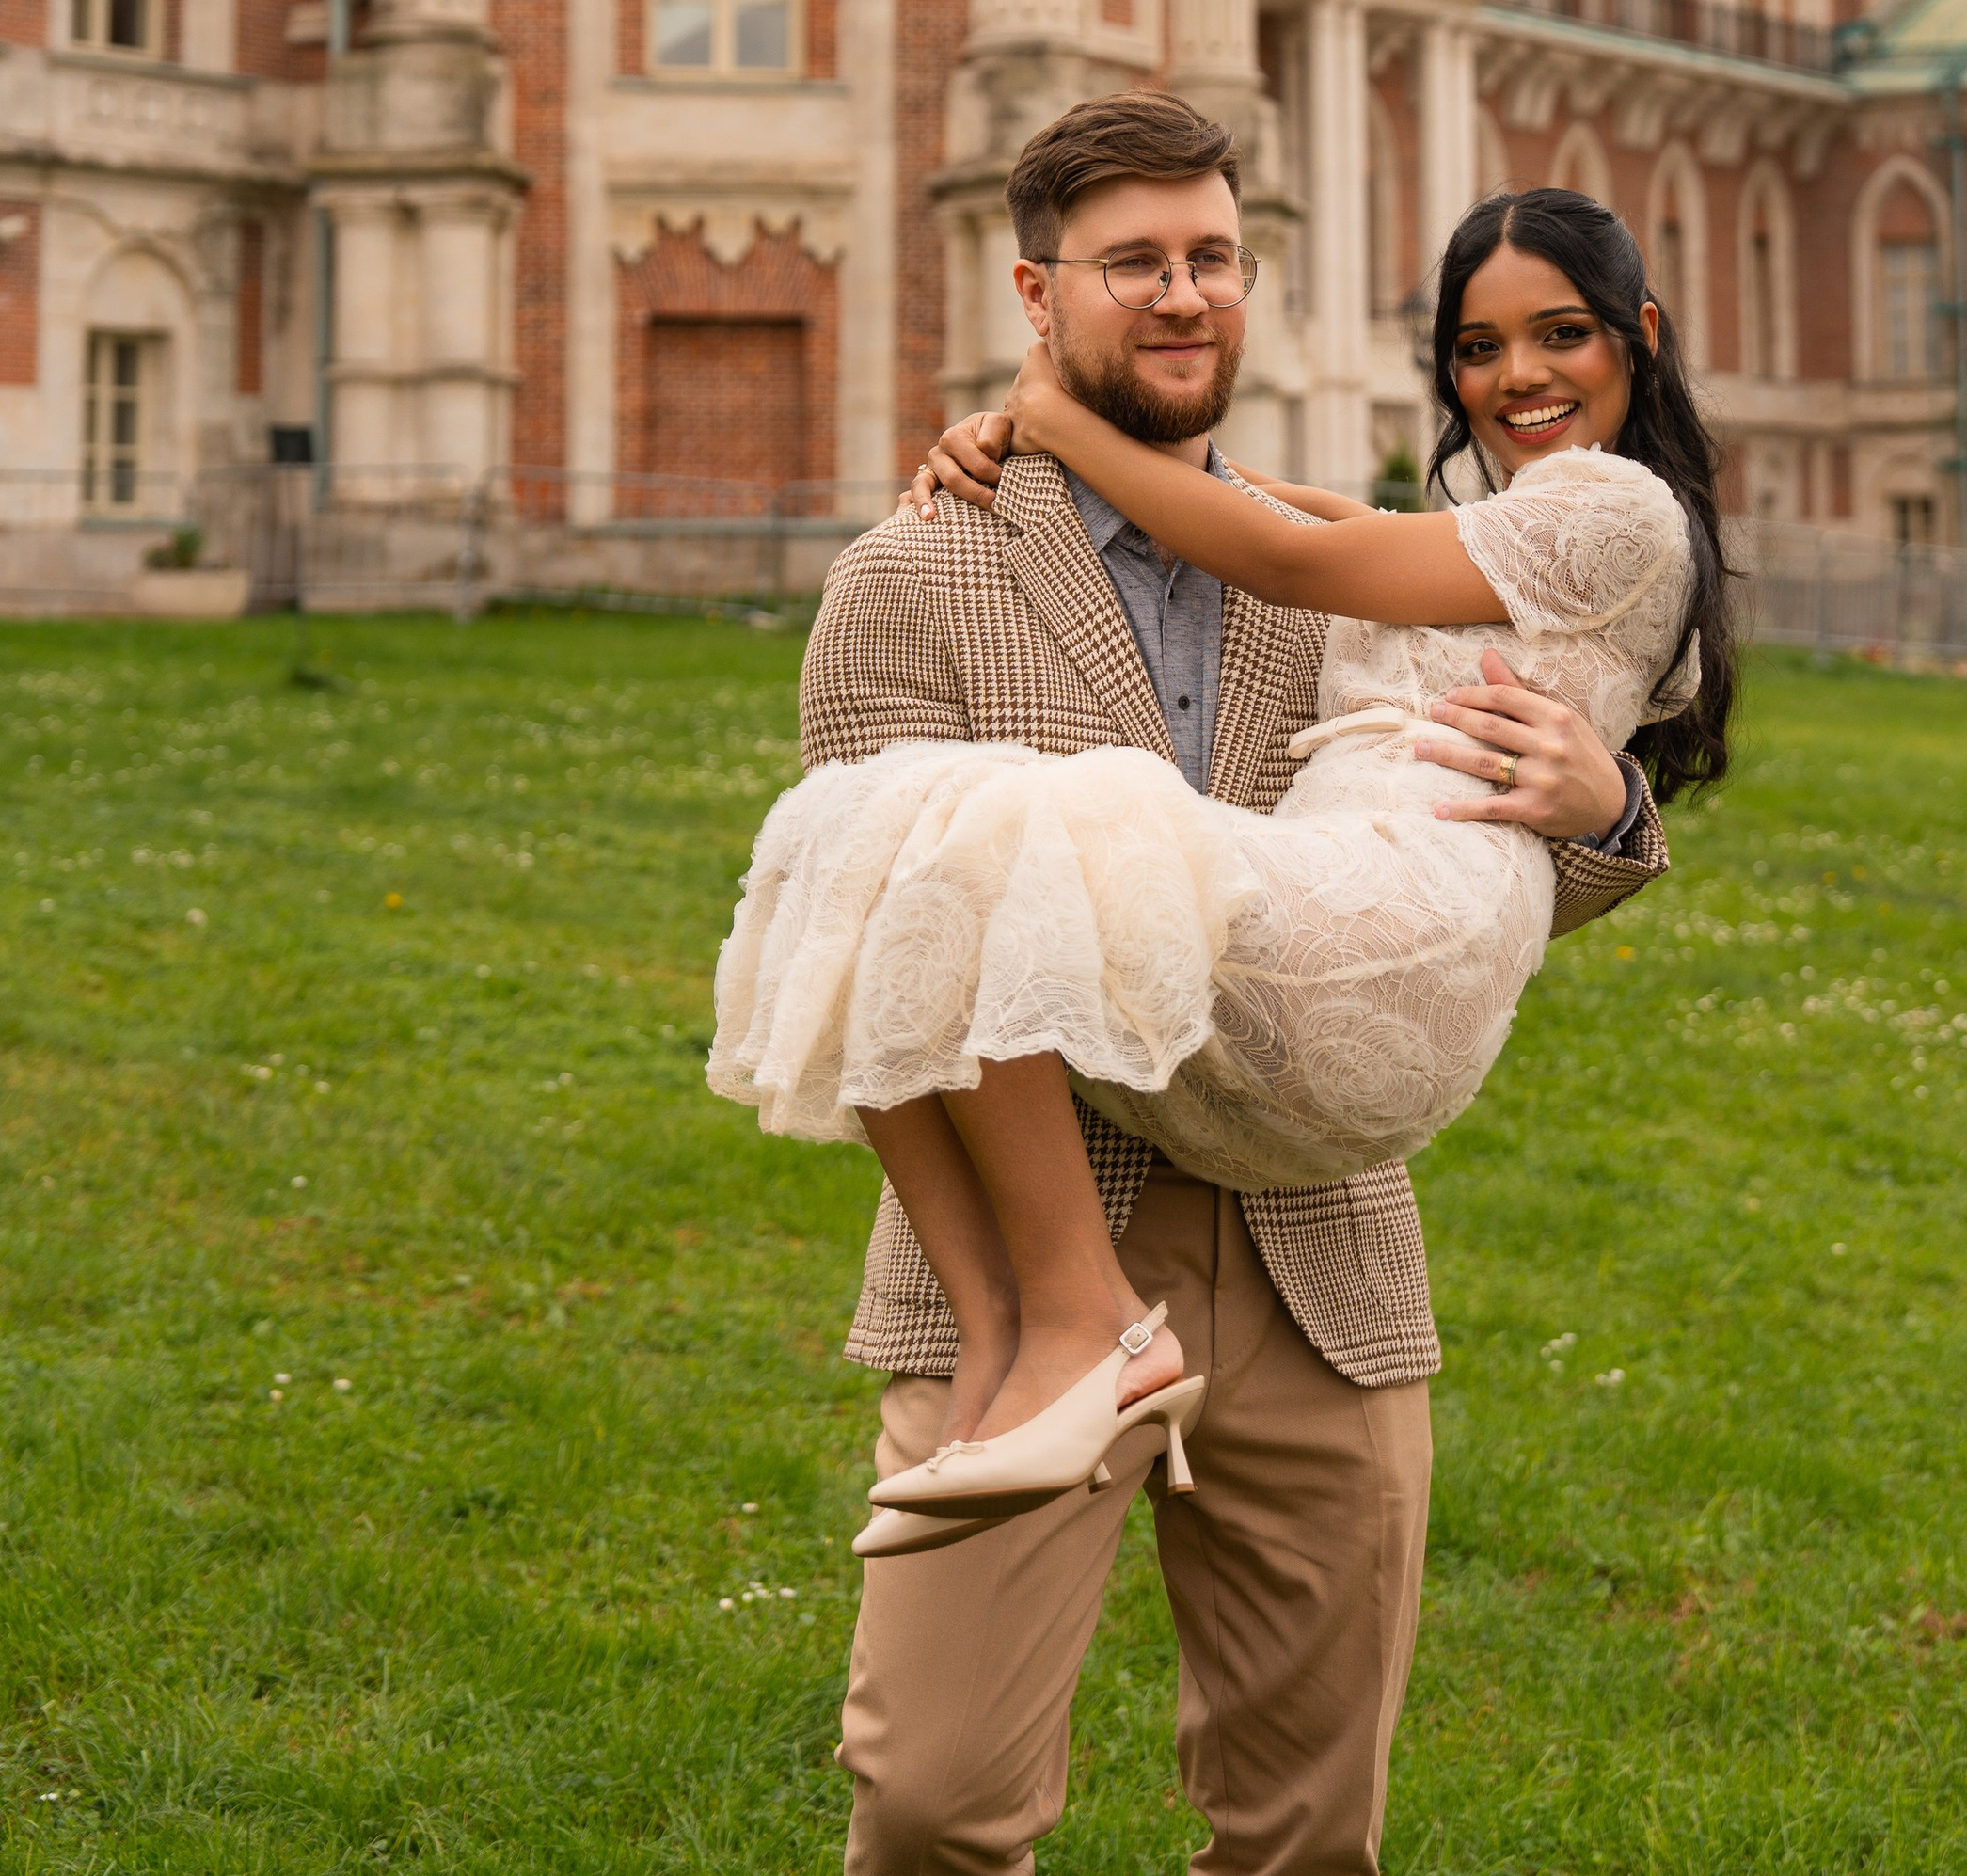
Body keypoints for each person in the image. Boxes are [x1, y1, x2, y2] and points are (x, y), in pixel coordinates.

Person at [710, 96, 1728, 1876]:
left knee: (1308, 1834)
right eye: (1133, 265)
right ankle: (1065, 1330)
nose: (1182, 295)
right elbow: (887, 946)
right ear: (1039, 295)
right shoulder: (910, 576)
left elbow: (1446, 880)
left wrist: (1612, 812)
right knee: (934, 1806)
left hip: (1318, 1252)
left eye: (1212, 258)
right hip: (1039, 1244)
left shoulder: (1350, 581)